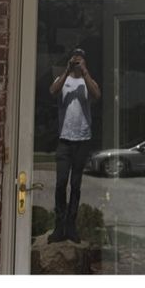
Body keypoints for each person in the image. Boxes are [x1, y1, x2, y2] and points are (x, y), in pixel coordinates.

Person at [48, 48, 100, 243]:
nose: (77, 60)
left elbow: (97, 94)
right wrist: (66, 70)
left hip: (82, 140)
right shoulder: (62, 80)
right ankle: (59, 225)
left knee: (76, 185)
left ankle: (71, 225)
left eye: (81, 58)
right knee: (61, 183)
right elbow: (52, 91)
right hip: (64, 140)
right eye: (75, 57)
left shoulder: (88, 81)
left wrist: (85, 72)